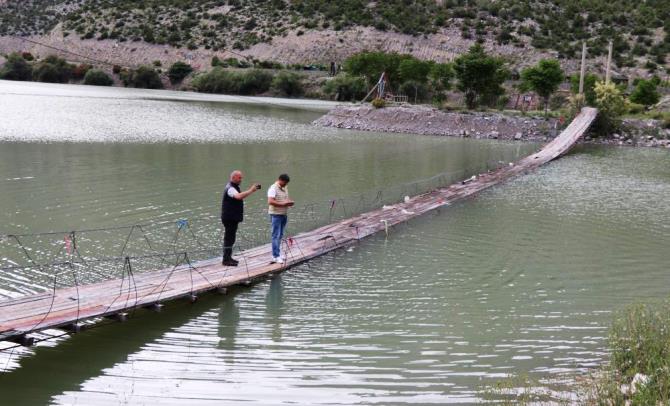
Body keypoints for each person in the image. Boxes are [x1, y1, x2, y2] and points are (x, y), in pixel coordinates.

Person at [221, 170, 260, 266]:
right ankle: (226, 260)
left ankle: (228, 257)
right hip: (229, 218)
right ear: (233, 177)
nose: (241, 179)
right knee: (229, 239)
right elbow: (238, 197)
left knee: (231, 238)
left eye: (241, 177)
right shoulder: (230, 188)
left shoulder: (234, 187)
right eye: (239, 177)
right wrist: (251, 190)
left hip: (232, 217)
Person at [267, 173, 294, 263]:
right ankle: (275, 256)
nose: (285, 185)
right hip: (275, 214)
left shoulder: (285, 187)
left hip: (283, 214)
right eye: (284, 183)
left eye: (286, 183)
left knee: (280, 235)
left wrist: (289, 202)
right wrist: (283, 204)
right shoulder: (273, 188)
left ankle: (278, 253)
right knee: (275, 235)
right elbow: (270, 201)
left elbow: (285, 198)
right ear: (280, 180)